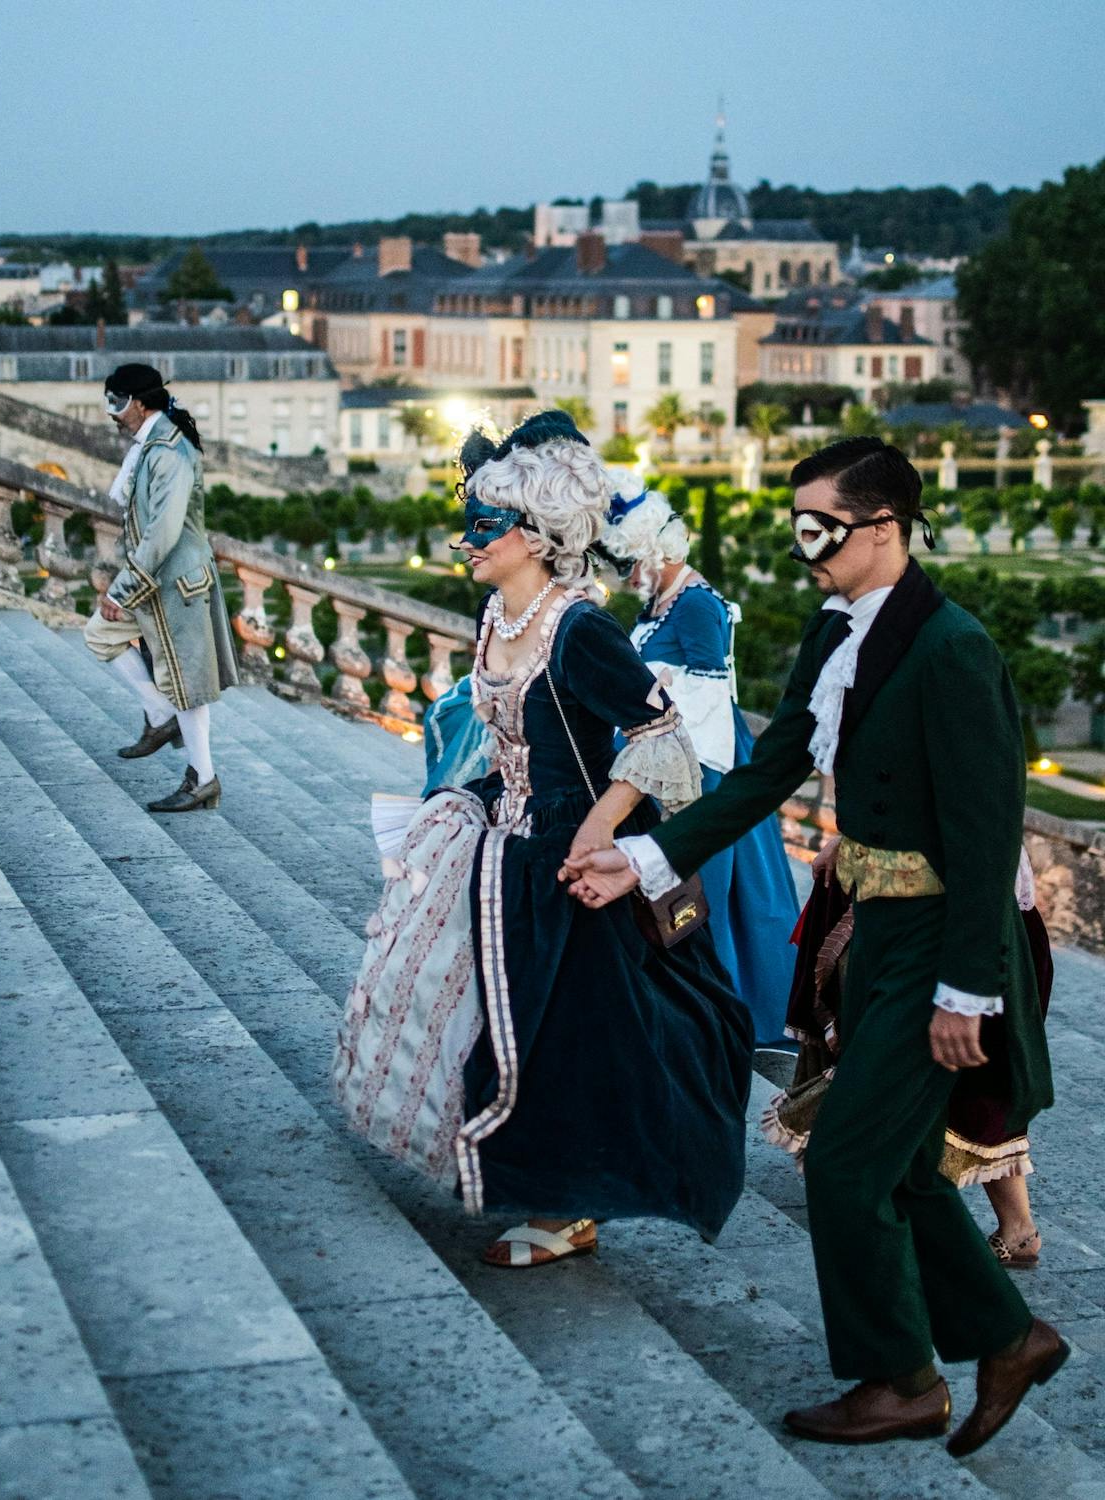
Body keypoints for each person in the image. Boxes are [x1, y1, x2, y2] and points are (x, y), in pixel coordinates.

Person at [564, 437, 1065, 1454]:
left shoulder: (953, 648)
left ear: (883, 527)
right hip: (872, 934)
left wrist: (968, 994)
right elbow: (763, 775)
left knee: (844, 1163)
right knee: (902, 1167)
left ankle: (905, 1379)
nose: (806, 551)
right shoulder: (833, 631)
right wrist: (648, 859)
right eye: (798, 529)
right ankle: (1005, 1339)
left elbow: (983, 834)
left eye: (819, 529)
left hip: (942, 947)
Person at [335, 412, 753, 1268]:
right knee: (506, 1013)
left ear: (535, 536)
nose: (467, 540)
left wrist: (599, 833)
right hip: (508, 835)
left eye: (486, 526)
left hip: (574, 853)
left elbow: (663, 735)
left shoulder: (580, 630)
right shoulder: (498, 611)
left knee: (571, 1031)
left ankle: (568, 1208)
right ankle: (519, 1170)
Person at [768, 837, 1054, 1268]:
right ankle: (1007, 1228)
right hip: (891, 888)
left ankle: (994, 1234)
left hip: (942, 907)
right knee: (907, 1071)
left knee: (948, 1078)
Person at [594, 474, 799, 1045]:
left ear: (653, 553)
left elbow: (710, 692)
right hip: (665, 747)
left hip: (702, 760)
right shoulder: (662, 603)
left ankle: (710, 1004)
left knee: (699, 884)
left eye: (629, 564)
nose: (625, 578)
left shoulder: (696, 605)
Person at [83, 364, 239, 812]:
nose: (111, 413)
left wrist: (120, 590)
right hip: (156, 581)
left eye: (116, 403)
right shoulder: (151, 444)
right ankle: (158, 714)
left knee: (188, 685)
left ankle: (203, 778)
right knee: (100, 634)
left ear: (139, 403)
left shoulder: (168, 451)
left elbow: (162, 534)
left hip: (177, 585)